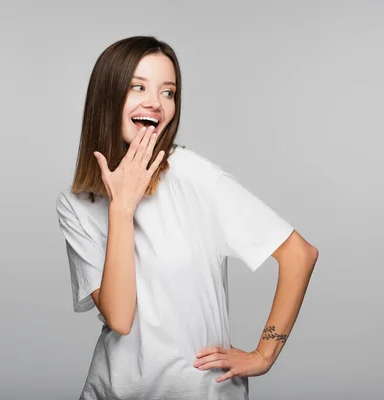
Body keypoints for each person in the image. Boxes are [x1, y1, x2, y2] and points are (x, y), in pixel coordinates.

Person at [56, 35, 319, 400]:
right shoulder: (76, 204)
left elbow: (299, 254)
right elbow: (120, 317)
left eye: (168, 92)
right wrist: (122, 208)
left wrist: (264, 353)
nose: (156, 103)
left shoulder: (193, 175)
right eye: (138, 87)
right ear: (107, 96)